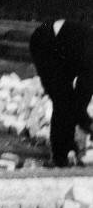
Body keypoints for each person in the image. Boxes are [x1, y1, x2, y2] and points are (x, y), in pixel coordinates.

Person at [29, 19, 93, 167]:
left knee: (69, 101)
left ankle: (67, 148)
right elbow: (71, 104)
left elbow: (80, 101)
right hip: (44, 42)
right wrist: (89, 124)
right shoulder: (88, 55)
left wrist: (87, 123)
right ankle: (59, 157)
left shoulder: (88, 65)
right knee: (62, 99)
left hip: (65, 52)